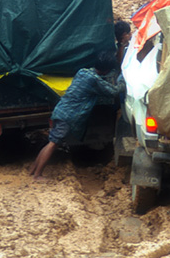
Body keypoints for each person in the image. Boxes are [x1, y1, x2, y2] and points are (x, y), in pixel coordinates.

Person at [28, 51, 123, 180]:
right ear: (106, 70)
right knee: (53, 144)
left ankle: (33, 170)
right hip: (68, 115)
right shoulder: (93, 80)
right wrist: (122, 81)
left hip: (61, 111)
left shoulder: (82, 72)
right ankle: (37, 175)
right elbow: (113, 92)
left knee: (51, 141)